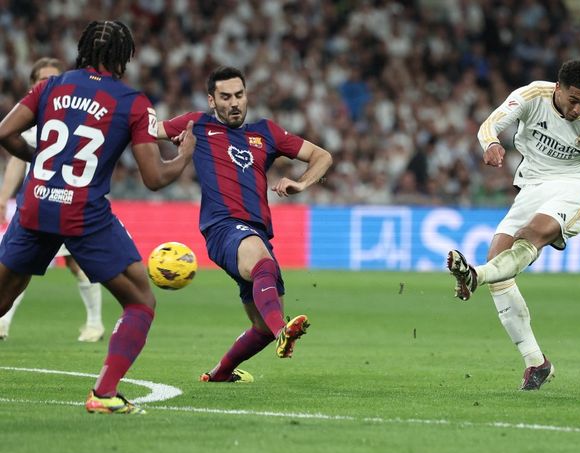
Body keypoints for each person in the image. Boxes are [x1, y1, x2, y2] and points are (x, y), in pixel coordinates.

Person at [0, 20, 195, 414]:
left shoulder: (52, 86)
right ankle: (104, 393)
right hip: (83, 212)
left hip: (36, 202)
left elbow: (4, 132)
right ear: (125, 57)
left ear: (83, 49)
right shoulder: (132, 102)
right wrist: (186, 153)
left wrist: (38, 161)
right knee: (140, 301)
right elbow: (155, 178)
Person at [447, 60, 580, 390]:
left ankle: (476, 275)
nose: (578, 108)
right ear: (557, 88)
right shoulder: (531, 96)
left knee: (529, 235)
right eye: (573, 100)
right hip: (532, 184)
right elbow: (490, 125)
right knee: (498, 256)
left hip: (574, 184)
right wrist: (491, 144)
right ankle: (536, 362)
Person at [158, 66, 332, 383]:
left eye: (239, 95)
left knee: (262, 325)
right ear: (212, 100)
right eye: (225, 97)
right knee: (263, 265)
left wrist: (302, 183)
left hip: (256, 232)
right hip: (222, 227)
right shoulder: (197, 125)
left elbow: (321, 156)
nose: (234, 102)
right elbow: (148, 130)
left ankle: (221, 373)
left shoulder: (266, 132)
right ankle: (284, 331)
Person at [0, 57, 104, 343]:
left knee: (74, 264)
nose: (48, 85)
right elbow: (16, 163)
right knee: (18, 265)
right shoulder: (32, 122)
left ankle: (95, 323)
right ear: (32, 86)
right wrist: (3, 197)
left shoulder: (73, 120)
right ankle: (4, 322)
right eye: (41, 80)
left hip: (71, 203)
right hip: (37, 202)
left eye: (53, 79)